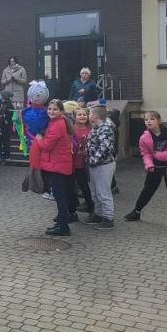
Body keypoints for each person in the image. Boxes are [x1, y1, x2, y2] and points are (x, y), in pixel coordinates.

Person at [125, 111, 167, 228]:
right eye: (146, 119)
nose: (148, 121)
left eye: (152, 119)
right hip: (155, 168)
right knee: (148, 189)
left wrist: (161, 156)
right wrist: (149, 165)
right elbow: (145, 153)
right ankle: (136, 212)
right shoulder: (144, 137)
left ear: (159, 121)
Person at [35, 100, 74, 236]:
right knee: (60, 195)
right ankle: (61, 223)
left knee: (60, 196)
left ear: (61, 111)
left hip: (57, 165)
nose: (51, 111)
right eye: (50, 109)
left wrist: (39, 139)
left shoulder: (57, 125)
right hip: (58, 164)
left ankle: (63, 227)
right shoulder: (57, 122)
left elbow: (47, 146)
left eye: (55, 109)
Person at [83, 105, 116, 229]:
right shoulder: (97, 127)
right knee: (95, 192)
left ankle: (108, 218)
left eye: (90, 113)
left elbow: (105, 148)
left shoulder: (105, 128)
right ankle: (98, 214)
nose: (88, 116)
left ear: (95, 116)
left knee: (103, 193)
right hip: (95, 165)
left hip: (103, 165)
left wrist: (92, 160)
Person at [70, 107, 95, 215]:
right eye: (79, 115)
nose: (82, 116)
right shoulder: (71, 130)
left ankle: (90, 205)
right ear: (74, 117)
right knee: (71, 186)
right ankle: (73, 206)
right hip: (71, 162)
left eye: (84, 114)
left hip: (83, 163)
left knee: (84, 186)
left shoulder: (91, 130)